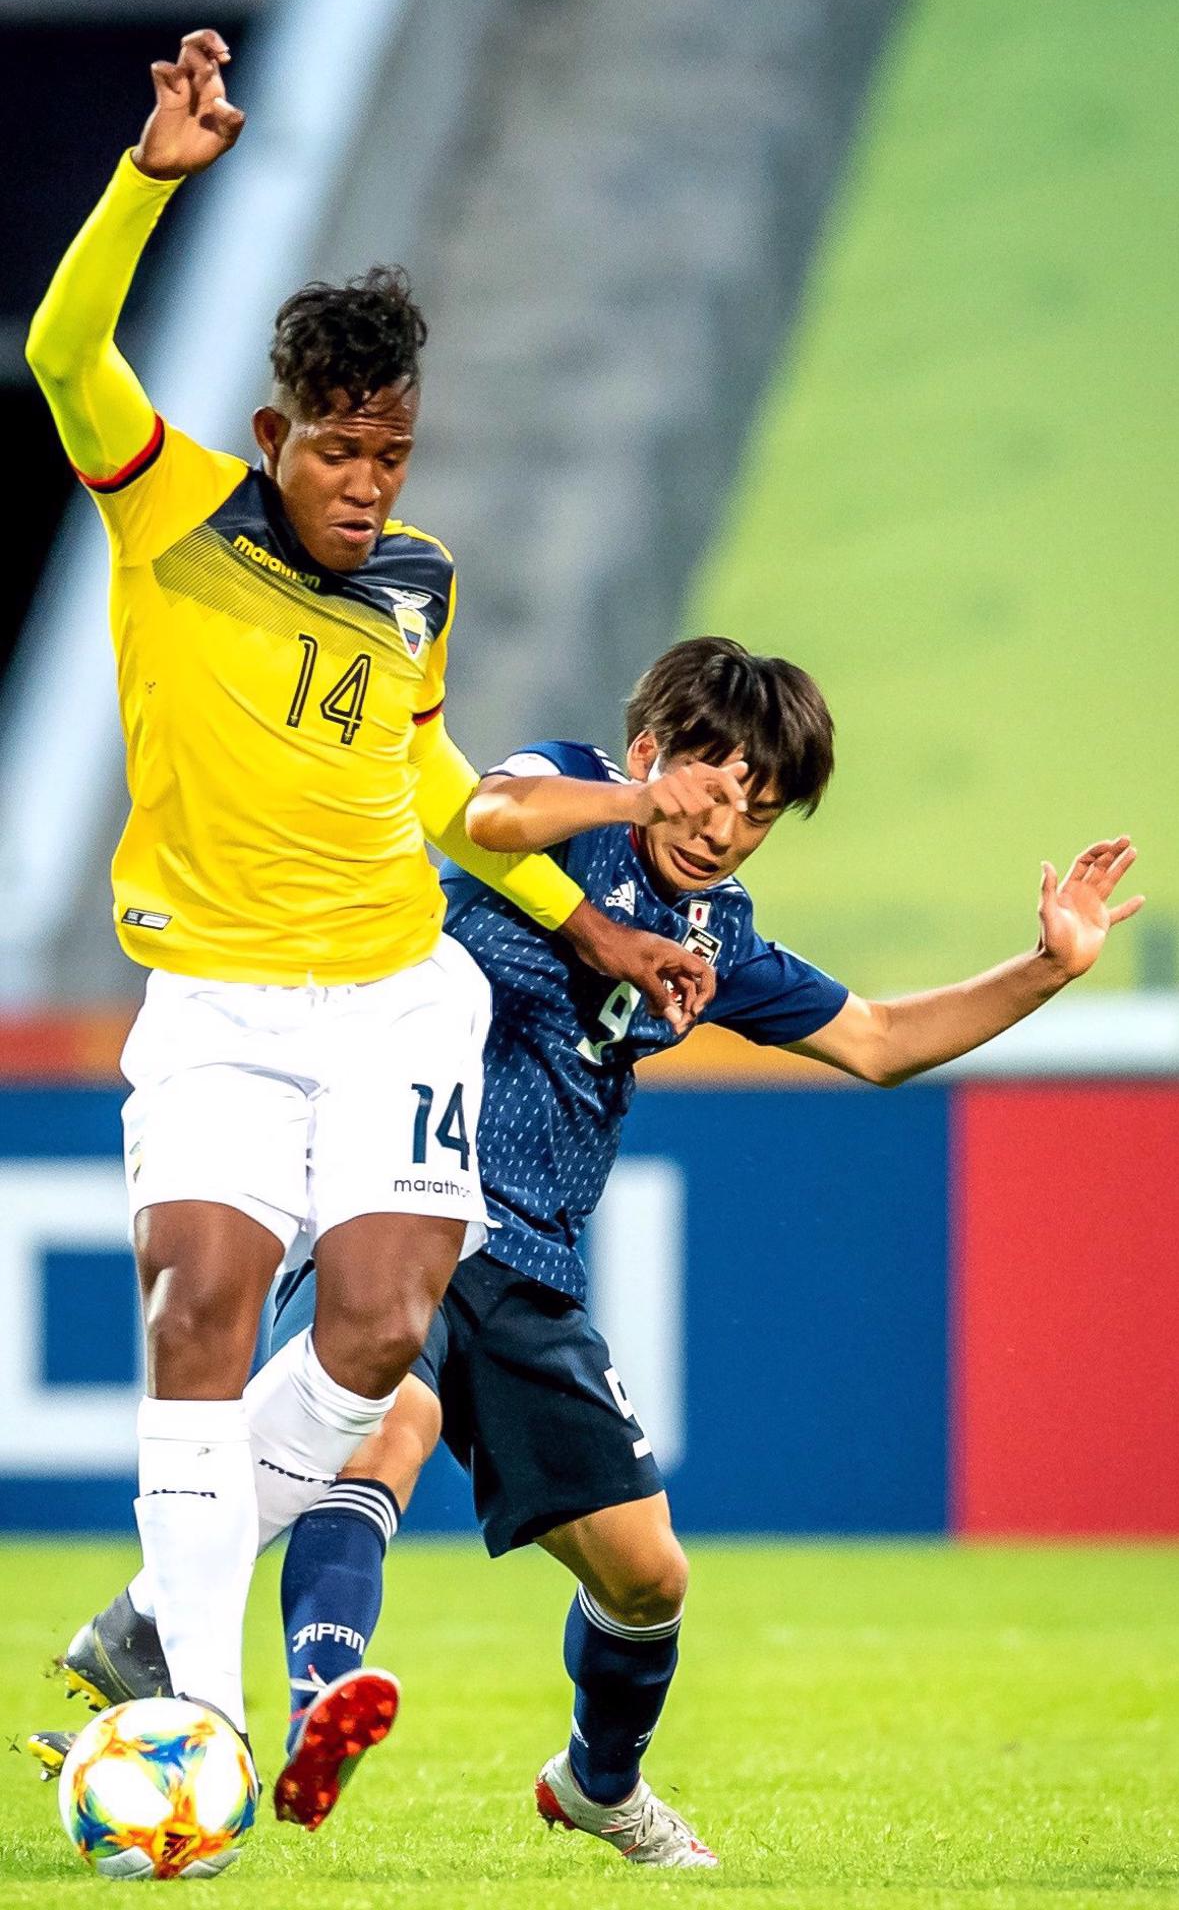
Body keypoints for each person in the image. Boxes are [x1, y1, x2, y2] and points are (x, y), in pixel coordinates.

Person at [33, 638, 1143, 1865]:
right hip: (394, 1201)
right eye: (714, 792)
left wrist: (1050, 966)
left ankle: (596, 1782)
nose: (724, 830)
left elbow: (877, 1039)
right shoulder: (561, 798)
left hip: (536, 1269)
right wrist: (625, 803)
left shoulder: (715, 938)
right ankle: (310, 1715)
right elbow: (483, 811)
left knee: (648, 1580)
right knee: (380, 1427)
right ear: (651, 753)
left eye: (759, 815)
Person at [24, 28, 714, 1750]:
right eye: (340, 451)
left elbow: (415, 770)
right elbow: (58, 348)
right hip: (218, 1003)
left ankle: (141, 1632)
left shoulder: (417, 580)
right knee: (195, 1306)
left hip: (399, 992)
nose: (368, 483)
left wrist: (593, 915)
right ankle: (191, 1721)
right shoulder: (166, 506)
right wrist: (144, 184)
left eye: (392, 452)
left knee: (381, 1331)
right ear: (276, 432)